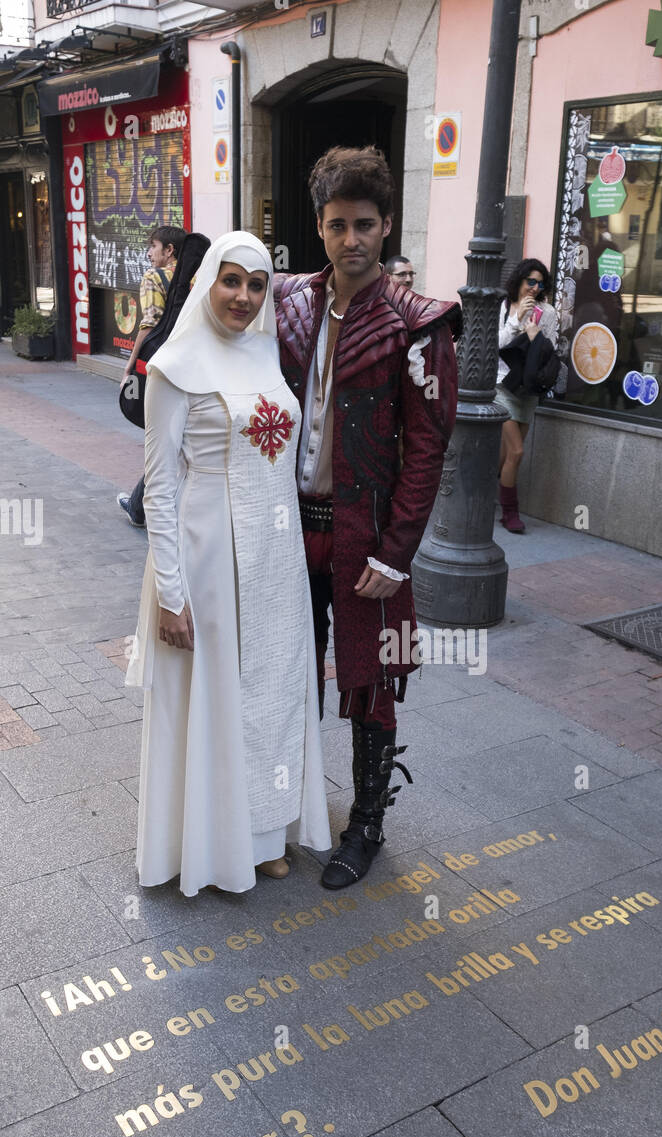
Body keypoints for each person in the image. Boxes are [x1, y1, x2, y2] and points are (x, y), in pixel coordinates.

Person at [274, 146, 460, 890]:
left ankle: (368, 826)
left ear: (386, 227)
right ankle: (280, 808)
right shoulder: (284, 301)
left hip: (367, 541)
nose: (351, 238)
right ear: (319, 227)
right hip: (287, 530)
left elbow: (428, 449)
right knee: (285, 674)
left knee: (373, 682)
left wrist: (397, 553)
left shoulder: (420, 323)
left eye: (365, 224)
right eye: (337, 224)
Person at [125, 231, 331, 897]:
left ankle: (265, 835)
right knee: (215, 700)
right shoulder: (173, 366)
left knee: (270, 692)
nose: (243, 296)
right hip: (209, 560)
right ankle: (214, 847)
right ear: (207, 280)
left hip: (276, 558)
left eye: (256, 284)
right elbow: (158, 489)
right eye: (231, 280)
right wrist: (172, 594)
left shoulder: (268, 352)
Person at [117, 225, 187, 529]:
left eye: (153, 246)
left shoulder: (153, 278)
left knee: (162, 441)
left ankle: (143, 506)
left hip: (162, 368)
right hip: (194, 366)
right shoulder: (198, 278)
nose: (149, 252)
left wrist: (129, 366)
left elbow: (148, 325)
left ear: (168, 250)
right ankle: (138, 504)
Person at [496, 257, 558, 533]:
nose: (534, 288)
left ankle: (485, 499)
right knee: (518, 452)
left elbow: (550, 352)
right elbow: (495, 345)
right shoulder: (504, 307)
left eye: (540, 283)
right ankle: (510, 513)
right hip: (501, 386)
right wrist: (516, 319)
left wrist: (535, 335)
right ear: (519, 281)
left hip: (528, 389)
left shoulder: (548, 312)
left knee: (507, 455)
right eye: (530, 281)